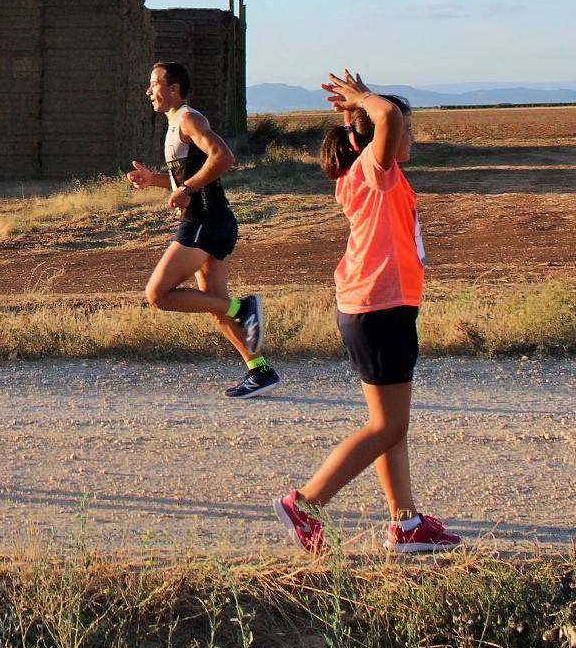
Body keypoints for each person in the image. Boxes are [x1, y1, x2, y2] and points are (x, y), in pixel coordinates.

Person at [273, 70, 461, 554]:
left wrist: (359, 110)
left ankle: (406, 524)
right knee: (388, 426)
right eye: (409, 131)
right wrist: (364, 100)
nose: (410, 134)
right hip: (379, 308)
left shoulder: (370, 173)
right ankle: (306, 503)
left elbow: (385, 120)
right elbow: (390, 116)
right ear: (380, 138)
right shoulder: (374, 172)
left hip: (378, 307)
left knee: (389, 424)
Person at [127, 62, 273, 398]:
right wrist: (156, 181)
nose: (149, 91)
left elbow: (223, 158)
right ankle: (260, 370)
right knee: (213, 304)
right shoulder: (175, 125)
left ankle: (243, 308)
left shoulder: (189, 119)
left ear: (174, 88)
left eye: (154, 84)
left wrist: (188, 188)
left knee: (158, 294)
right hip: (212, 220)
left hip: (204, 223)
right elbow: (186, 181)